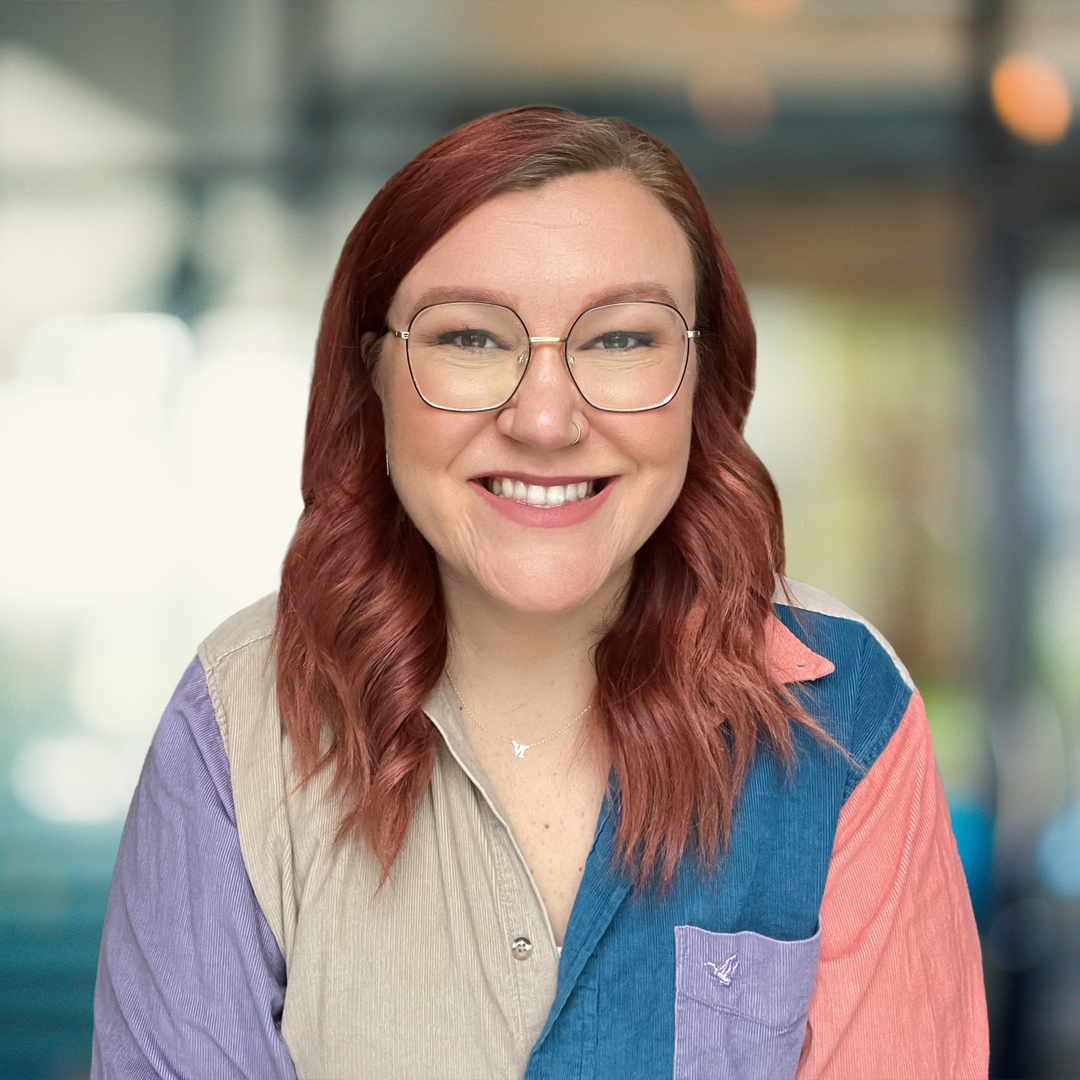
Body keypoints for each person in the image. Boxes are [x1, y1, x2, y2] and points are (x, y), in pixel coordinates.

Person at [91, 106, 988, 1080]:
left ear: (701, 375)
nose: (547, 419)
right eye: (471, 338)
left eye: (619, 340)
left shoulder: (839, 711)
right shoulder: (237, 720)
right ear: (374, 373)